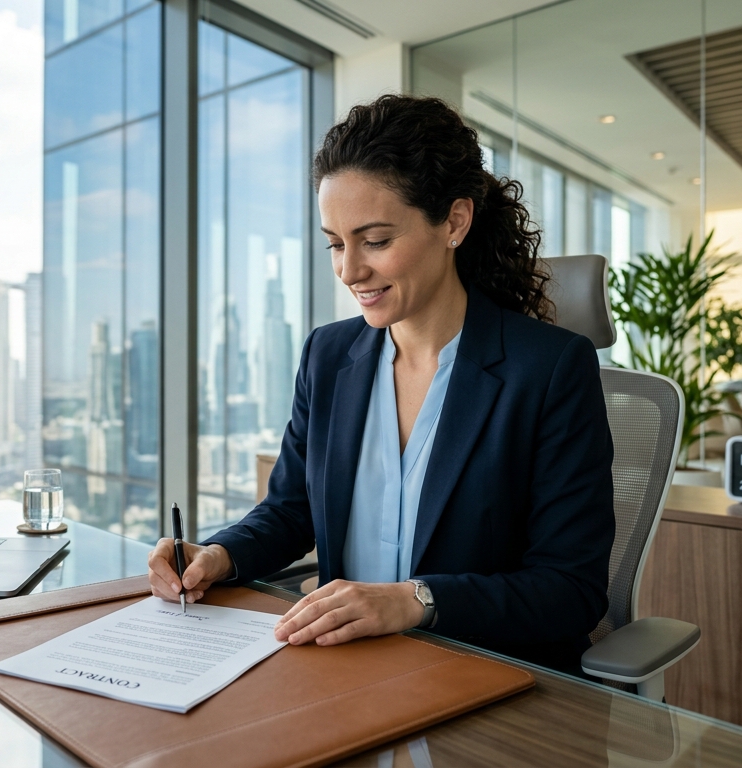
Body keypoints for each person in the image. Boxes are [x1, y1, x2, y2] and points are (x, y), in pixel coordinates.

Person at [147, 95, 615, 675]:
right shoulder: (328, 355)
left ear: (455, 222)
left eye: (375, 241)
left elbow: (570, 589)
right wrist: (218, 554)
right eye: (336, 244)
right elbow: (291, 511)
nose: (349, 271)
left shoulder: (548, 369)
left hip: (487, 676)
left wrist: (414, 601)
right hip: (350, 671)